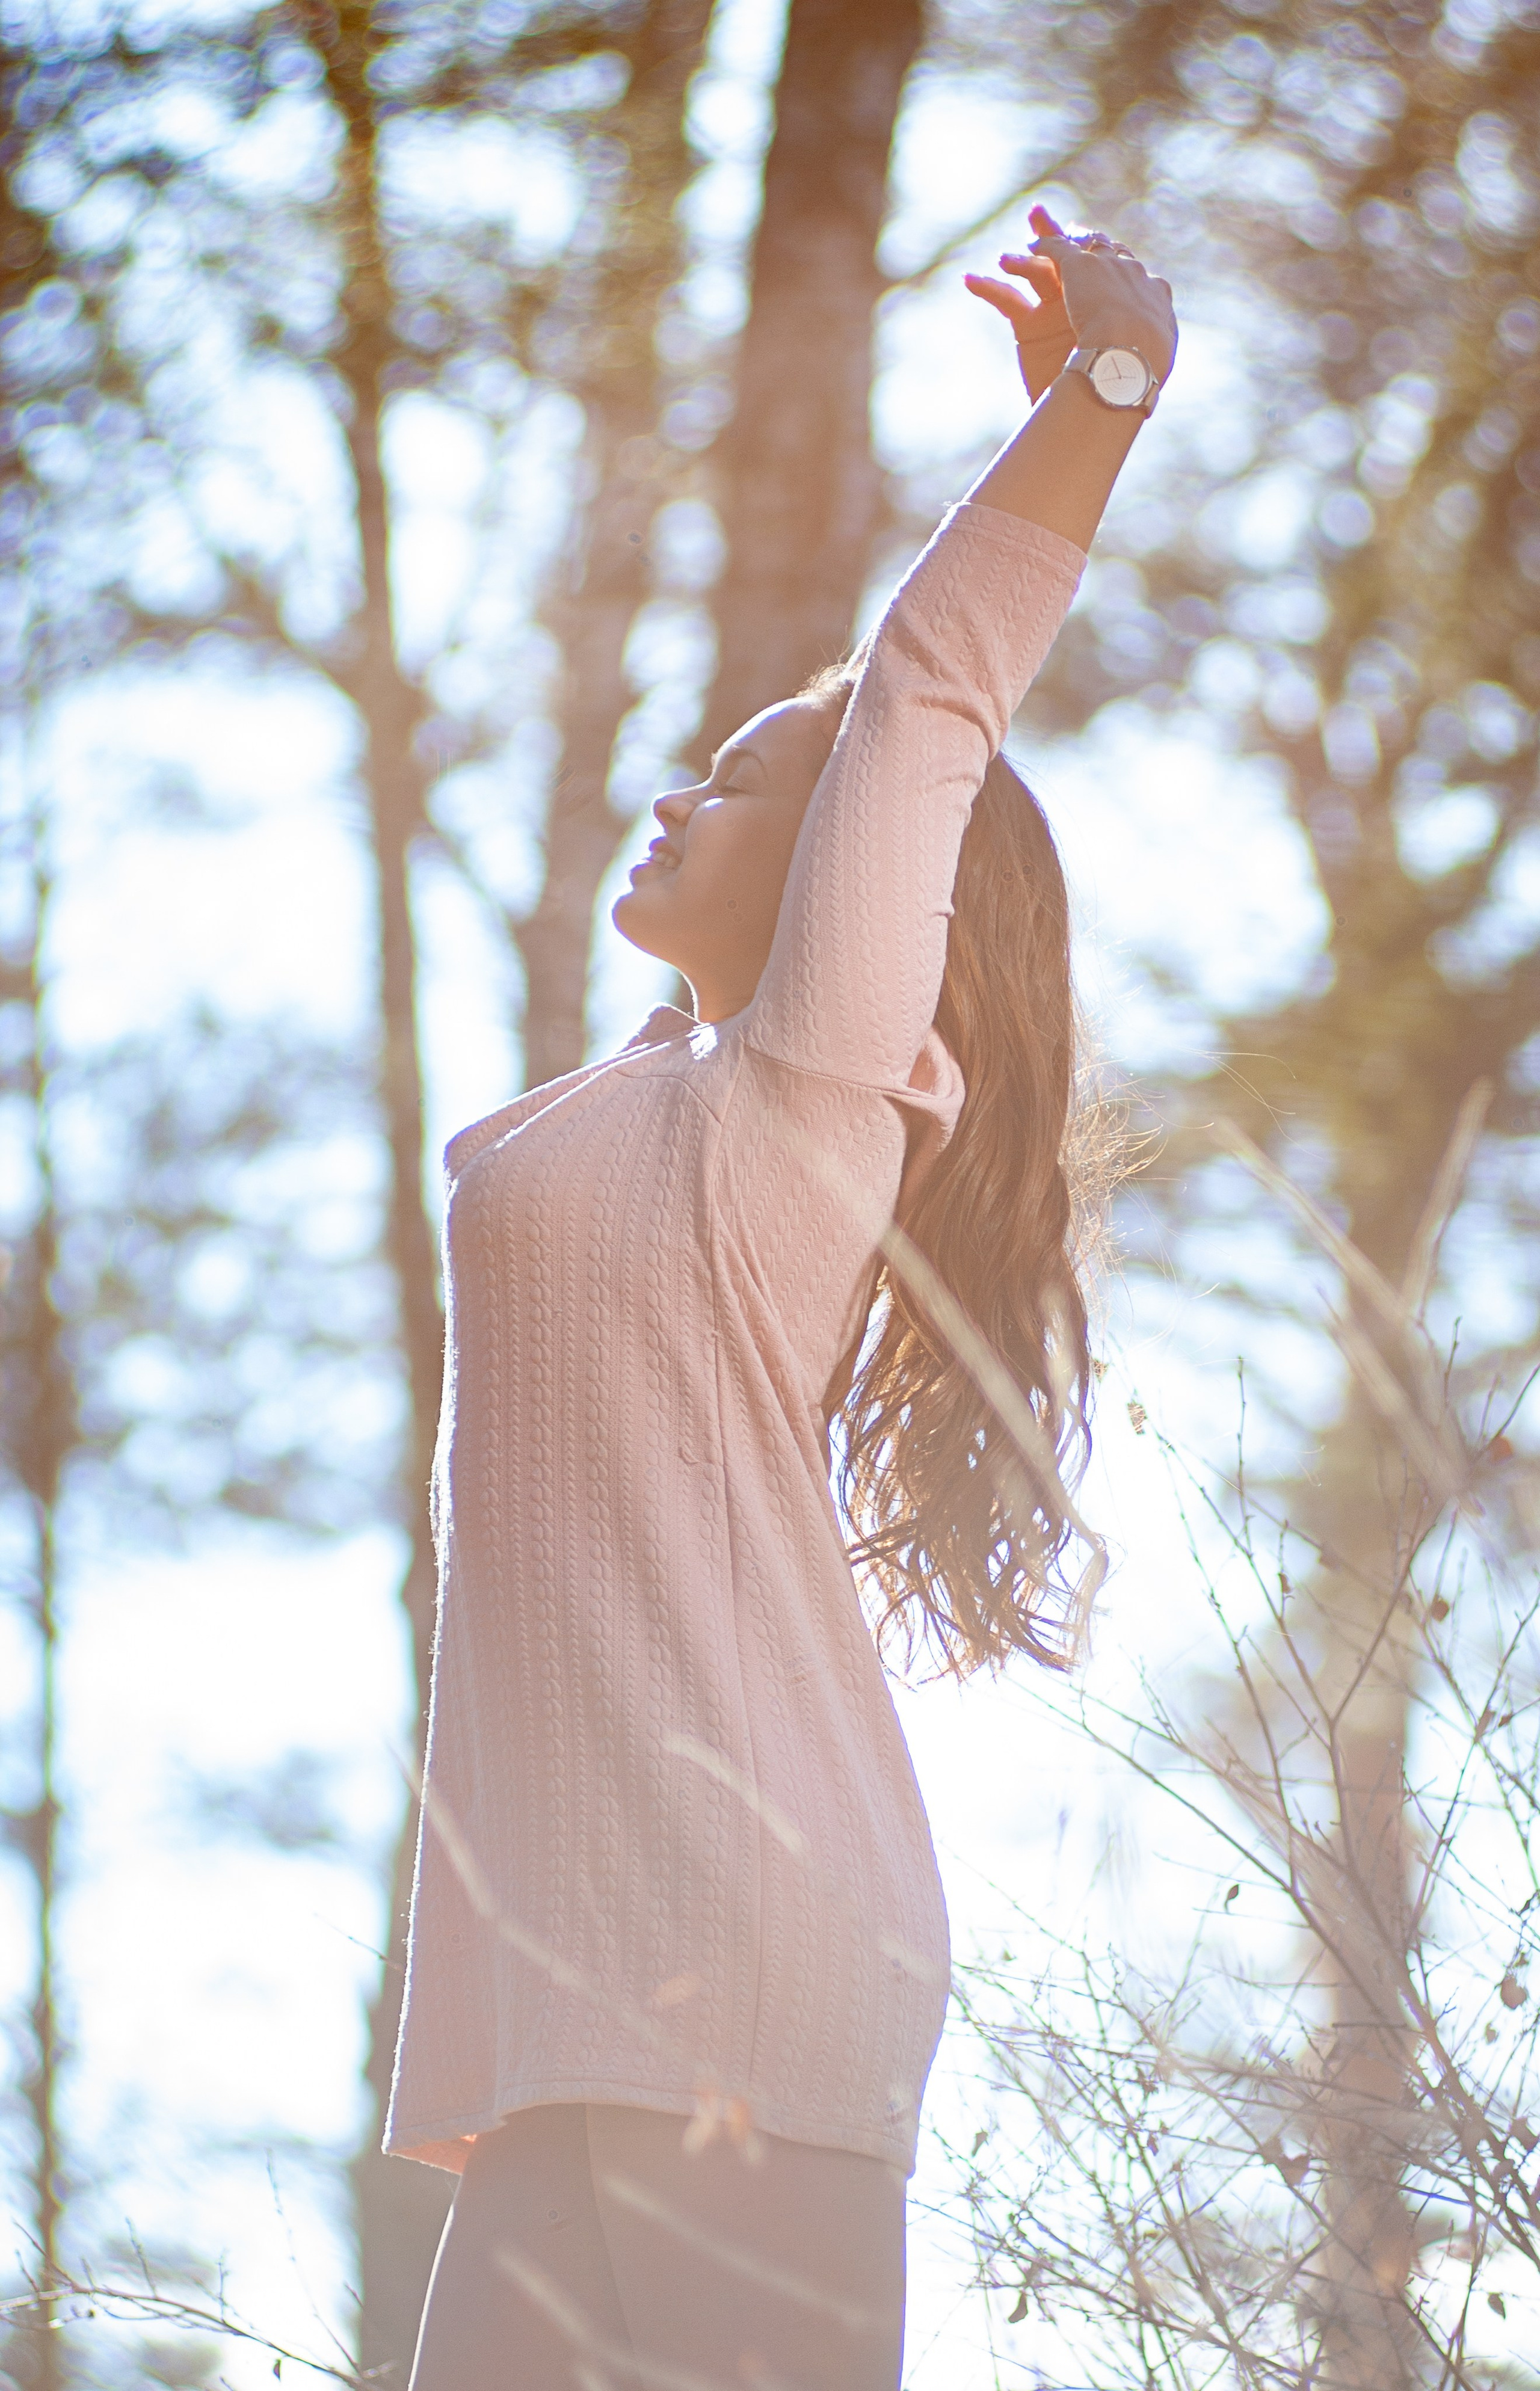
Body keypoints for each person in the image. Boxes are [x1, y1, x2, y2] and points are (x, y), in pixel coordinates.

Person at [396, 206, 1177, 2389]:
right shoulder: (665, 1102)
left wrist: (1093, 409)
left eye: (742, 778)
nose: (676, 790)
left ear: (854, 870)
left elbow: (932, 690)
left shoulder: (809, 1098)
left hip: (738, 1962)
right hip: (584, 2000)